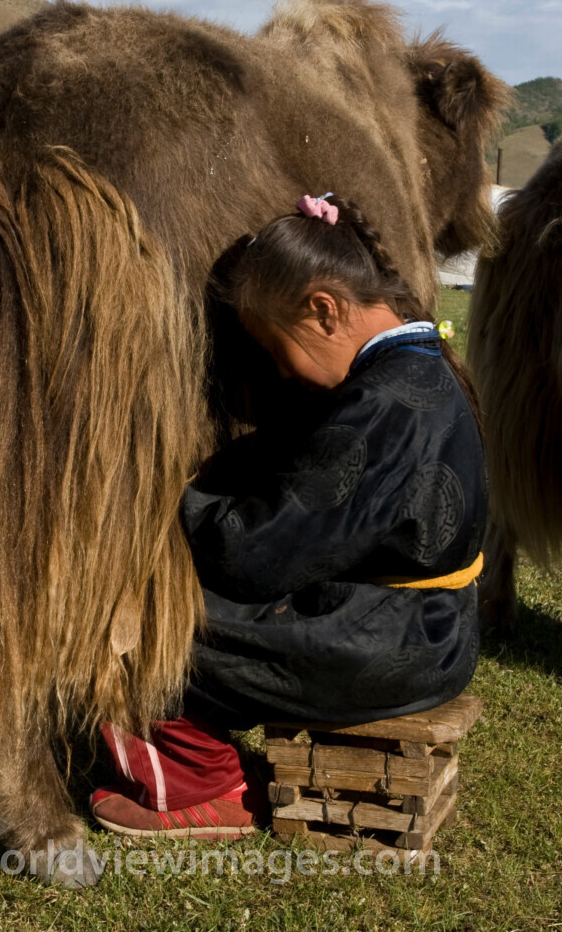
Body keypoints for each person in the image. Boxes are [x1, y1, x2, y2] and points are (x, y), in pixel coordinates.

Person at [91, 193, 487, 839]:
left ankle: (201, 787)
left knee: (125, 624)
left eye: (276, 347)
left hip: (386, 645)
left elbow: (257, 556)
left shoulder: (383, 405)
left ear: (324, 309)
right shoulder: (418, 372)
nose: (280, 370)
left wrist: (164, 508)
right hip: (426, 631)